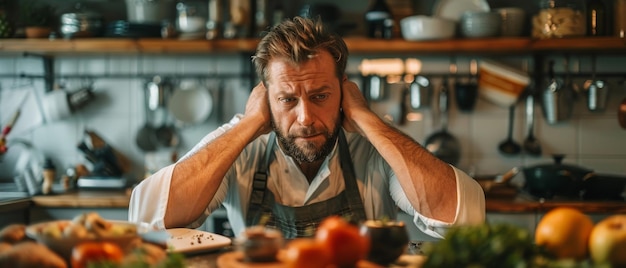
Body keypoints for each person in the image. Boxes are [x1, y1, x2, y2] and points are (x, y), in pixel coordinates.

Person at [129, 16, 485, 239]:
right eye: (287, 99)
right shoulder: (242, 142)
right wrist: (251, 123)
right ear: (266, 98)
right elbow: (148, 218)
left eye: (320, 95)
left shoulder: (375, 142)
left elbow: (461, 218)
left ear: (344, 90)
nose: (304, 118)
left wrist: (366, 119)